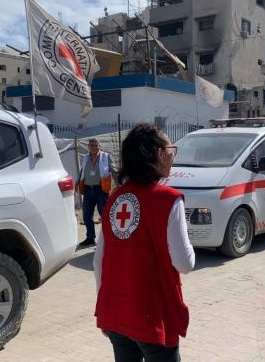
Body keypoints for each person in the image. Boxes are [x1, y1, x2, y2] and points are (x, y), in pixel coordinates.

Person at [94, 123, 195, 362]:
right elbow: (184, 263)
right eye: (171, 149)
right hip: (152, 315)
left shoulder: (115, 199)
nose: (173, 155)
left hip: (116, 312)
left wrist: (104, 308)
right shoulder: (168, 199)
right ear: (159, 154)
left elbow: (99, 261)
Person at [77, 138, 117, 247]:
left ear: (99, 146)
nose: (94, 147)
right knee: (86, 215)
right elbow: (82, 171)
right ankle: (90, 238)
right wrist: (77, 183)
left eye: (96, 145)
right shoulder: (85, 157)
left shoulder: (105, 157)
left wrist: (119, 184)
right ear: (88, 147)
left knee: (105, 215)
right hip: (88, 190)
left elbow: (114, 170)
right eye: (92, 145)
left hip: (101, 190)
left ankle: (110, 238)